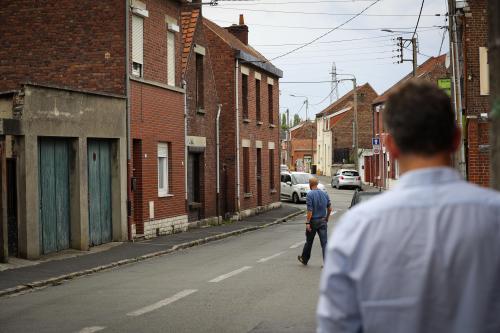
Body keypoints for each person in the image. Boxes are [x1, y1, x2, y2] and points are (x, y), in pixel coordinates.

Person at [317, 81, 500, 333]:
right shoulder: (494, 216)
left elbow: (336, 326)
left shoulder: (356, 228)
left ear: (391, 147)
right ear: (456, 139)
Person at [298, 177, 332, 266]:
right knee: (324, 243)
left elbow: (310, 211)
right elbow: (330, 208)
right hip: (323, 220)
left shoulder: (309, 195)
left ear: (310, 184)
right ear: (317, 184)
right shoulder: (325, 194)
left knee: (309, 241)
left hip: (313, 221)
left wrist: (308, 222)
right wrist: (327, 217)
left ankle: (304, 259)